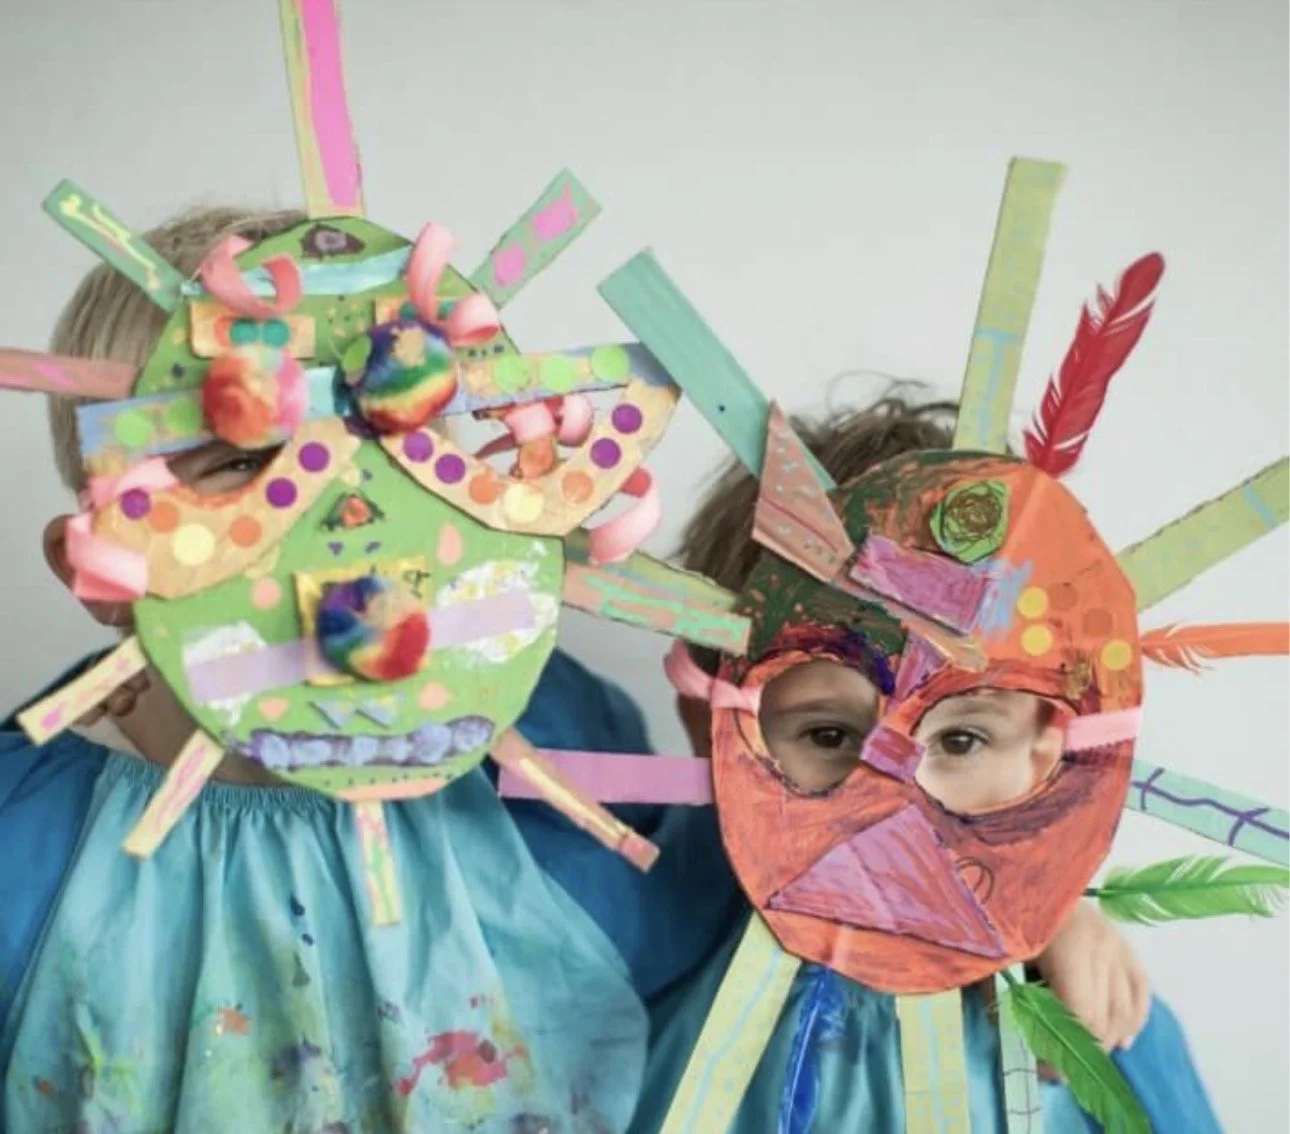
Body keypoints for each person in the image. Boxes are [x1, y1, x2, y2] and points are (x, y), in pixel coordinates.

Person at [0, 205, 723, 1134]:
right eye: (246, 463)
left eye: (400, 445)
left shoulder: (547, 737)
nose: (348, 524)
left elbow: (674, 967)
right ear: (96, 567)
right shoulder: (28, 835)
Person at [629, 396, 1221, 1132]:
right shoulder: (650, 913)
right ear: (709, 729)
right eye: (828, 736)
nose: (897, 808)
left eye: (961, 741)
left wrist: (1047, 902)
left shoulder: (1093, 1014)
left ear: (1049, 753)